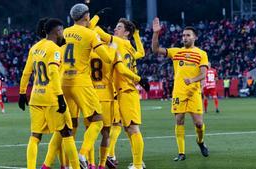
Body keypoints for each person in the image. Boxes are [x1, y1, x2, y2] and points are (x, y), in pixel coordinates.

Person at [59, 3, 115, 169]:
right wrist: (112, 48)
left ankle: (68, 165)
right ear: (86, 16)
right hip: (80, 82)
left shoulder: (64, 32)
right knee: (97, 120)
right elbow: (107, 58)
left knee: (70, 126)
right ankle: (82, 154)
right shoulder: (90, 34)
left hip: (63, 81)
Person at [18, 18, 79, 169]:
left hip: (36, 97)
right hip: (52, 97)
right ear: (57, 31)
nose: (63, 34)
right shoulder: (54, 49)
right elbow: (52, 72)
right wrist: (60, 97)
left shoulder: (34, 48)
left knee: (35, 136)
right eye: (62, 31)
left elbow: (26, 73)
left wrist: (21, 93)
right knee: (66, 132)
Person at [94, 18, 149, 169]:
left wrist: (92, 19)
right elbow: (140, 53)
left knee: (132, 128)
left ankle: (137, 165)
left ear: (126, 33)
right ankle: (138, 162)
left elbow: (97, 31)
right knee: (128, 128)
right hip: (125, 90)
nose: (115, 30)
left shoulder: (121, 43)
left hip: (127, 90)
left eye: (119, 28)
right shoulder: (128, 47)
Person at [152, 17, 209, 161]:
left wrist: (192, 80)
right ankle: (181, 153)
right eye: (183, 35)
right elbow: (155, 49)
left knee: (199, 123)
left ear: (195, 37)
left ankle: (200, 141)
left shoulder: (201, 54)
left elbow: (203, 74)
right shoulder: (176, 52)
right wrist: (156, 34)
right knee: (179, 121)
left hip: (194, 92)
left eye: (188, 35)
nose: (184, 37)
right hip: (178, 92)